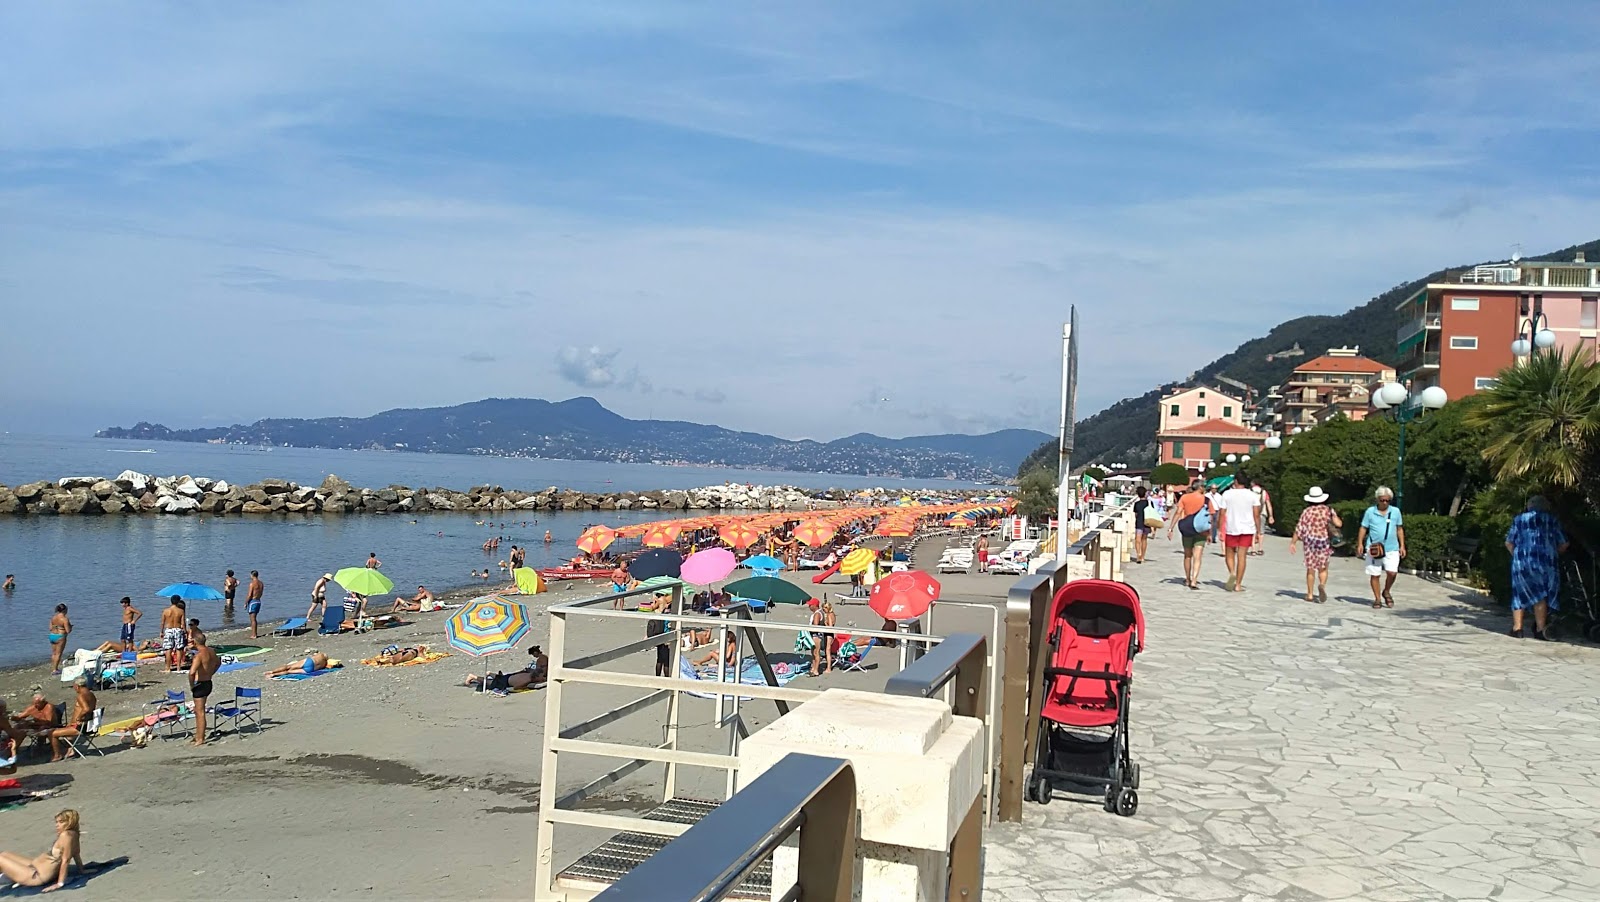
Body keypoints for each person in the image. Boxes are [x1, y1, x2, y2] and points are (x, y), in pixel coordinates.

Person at [1505, 495, 1569, 640]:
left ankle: (1517, 629)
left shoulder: (1519, 519)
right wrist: (1552, 553)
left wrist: (1517, 556)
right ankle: (1540, 629)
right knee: (1541, 594)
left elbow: (1509, 542)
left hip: (1522, 561)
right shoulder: (1552, 520)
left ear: (1529, 506)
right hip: (1545, 562)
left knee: (1519, 593)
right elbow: (1564, 543)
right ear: (1546, 506)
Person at [0, 809, 82, 892]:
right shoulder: (74, 834)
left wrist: (60, 883)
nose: (57, 825)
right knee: (4, 854)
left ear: (70, 822)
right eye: (56, 822)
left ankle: (9, 875)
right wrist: (81, 870)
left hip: (35, 876)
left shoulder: (66, 836)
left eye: (61, 822)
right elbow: (76, 854)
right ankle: (9, 875)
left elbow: (66, 860)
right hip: (34, 867)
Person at [1288, 487, 1342, 603]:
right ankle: (1322, 585)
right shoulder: (1328, 510)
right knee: (1323, 568)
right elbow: (1339, 524)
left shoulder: (1307, 511)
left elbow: (1299, 528)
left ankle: (1310, 594)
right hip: (1324, 542)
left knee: (1310, 569)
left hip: (1310, 543)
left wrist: (1293, 542)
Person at [1356, 486, 1406, 609]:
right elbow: (1363, 527)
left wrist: (1402, 545)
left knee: (1392, 572)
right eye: (1382, 500)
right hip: (1374, 547)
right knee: (1375, 574)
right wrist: (1360, 544)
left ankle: (1387, 590)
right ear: (1377, 500)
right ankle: (1377, 598)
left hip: (1392, 547)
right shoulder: (1370, 512)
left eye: (1387, 500)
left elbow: (1399, 528)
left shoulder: (1395, 512)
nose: (1384, 503)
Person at [1165, 480, 1214, 590]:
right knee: (1198, 556)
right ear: (1200, 487)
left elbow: (1178, 512)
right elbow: (1210, 518)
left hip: (1187, 529)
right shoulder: (1206, 500)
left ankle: (1187, 579)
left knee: (1187, 555)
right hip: (1201, 531)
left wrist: (1170, 528)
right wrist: (1210, 533)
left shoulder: (1185, 498)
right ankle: (1194, 580)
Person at [1219, 475, 1260, 592]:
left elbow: (1222, 513)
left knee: (1229, 553)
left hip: (1231, 527)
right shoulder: (1252, 495)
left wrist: (1220, 529)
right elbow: (1256, 514)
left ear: (1236, 481)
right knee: (1242, 557)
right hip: (1247, 528)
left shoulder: (1227, 494)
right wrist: (1258, 531)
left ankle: (1232, 572)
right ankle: (1238, 584)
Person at [46, 679, 96, 762]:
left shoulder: (81, 696)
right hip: (89, 725)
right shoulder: (91, 694)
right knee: (66, 729)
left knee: (52, 733)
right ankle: (70, 750)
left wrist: (79, 718)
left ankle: (57, 755)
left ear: (77, 686)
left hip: (80, 727)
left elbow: (86, 709)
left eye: (74, 687)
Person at [188, 633, 219, 745]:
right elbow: (218, 663)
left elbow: (191, 672)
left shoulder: (199, 655)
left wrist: (192, 685)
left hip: (200, 684)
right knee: (198, 711)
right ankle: (198, 735)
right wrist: (210, 673)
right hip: (208, 682)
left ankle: (200, 738)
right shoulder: (211, 651)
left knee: (199, 712)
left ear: (196, 642)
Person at [159, 596, 188, 672]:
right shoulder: (180, 611)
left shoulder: (165, 611)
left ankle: (167, 668)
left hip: (168, 629)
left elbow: (162, 622)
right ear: (178, 602)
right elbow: (183, 623)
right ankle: (178, 667)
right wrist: (185, 632)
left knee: (168, 649)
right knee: (179, 649)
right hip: (178, 629)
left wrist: (161, 631)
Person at [646, 598, 672, 677]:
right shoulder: (668, 611)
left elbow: (652, 608)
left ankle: (658, 678)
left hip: (660, 635)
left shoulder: (659, 601)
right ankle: (667, 680)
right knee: (666, 661)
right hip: (666, 637)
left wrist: (654, 603)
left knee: (660, 659)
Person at [1251, 484, 1275, 556]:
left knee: (1253, 531)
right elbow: (1268, 504)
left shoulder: (1250, 491)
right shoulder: (1264, 492)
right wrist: (1271, 516)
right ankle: (1260, 549)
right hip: (1262, 513)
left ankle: (1253, 550)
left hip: (1251, 514)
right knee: (1261, 532)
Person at [47, 605, 71, 674]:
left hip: (52, 635)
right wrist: (71, 627)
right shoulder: (64, 619)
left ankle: (53, 668)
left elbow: (50, 628)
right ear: (64, 610)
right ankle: (55, 669)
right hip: (60, 636)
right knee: (58, 653)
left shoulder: (53, 618)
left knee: (54, 653)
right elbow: (68, 630)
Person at [1130, 486, 1151, 564]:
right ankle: (1143, 556)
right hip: (1147, 523)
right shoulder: (1149, 503)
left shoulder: (1136, 504)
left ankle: (1138, 554)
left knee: (1137, 540)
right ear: (1145, 494)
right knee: (1144, 540)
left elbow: (1136, 514)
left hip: (1139, 523)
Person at [245, 570, 264, 639]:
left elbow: (249, 595)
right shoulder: (261, 583)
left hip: (253, 601)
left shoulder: (252, 584)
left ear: (252, 575)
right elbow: (261, 593)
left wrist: (246, 602)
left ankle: (254, 634)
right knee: (254, 618)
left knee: (252, 619)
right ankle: (254, 633)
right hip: (258, 601)